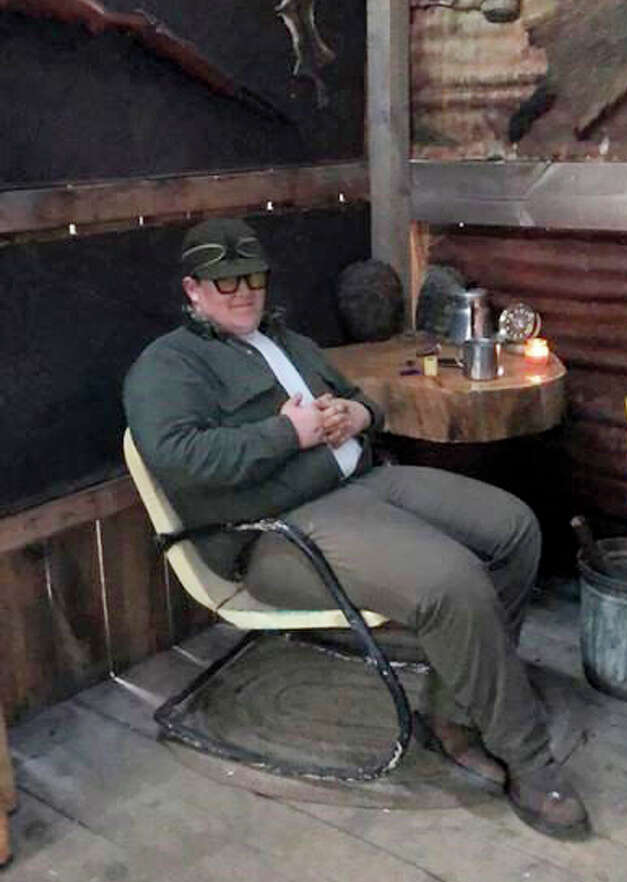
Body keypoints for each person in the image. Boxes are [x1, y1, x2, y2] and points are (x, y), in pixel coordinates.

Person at [123, 217, 590, 840]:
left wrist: (357, 412)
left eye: (253, 277)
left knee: (514, 528)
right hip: (275, 532)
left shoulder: (286, 340)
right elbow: (183, 459)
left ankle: (457, 707)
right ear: (193, 288)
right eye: (225, 280)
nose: (243, 292)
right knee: (451, 581)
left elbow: (359, 398)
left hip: (361, 483)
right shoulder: (167, 366)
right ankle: (529, 760)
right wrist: (287, 433)